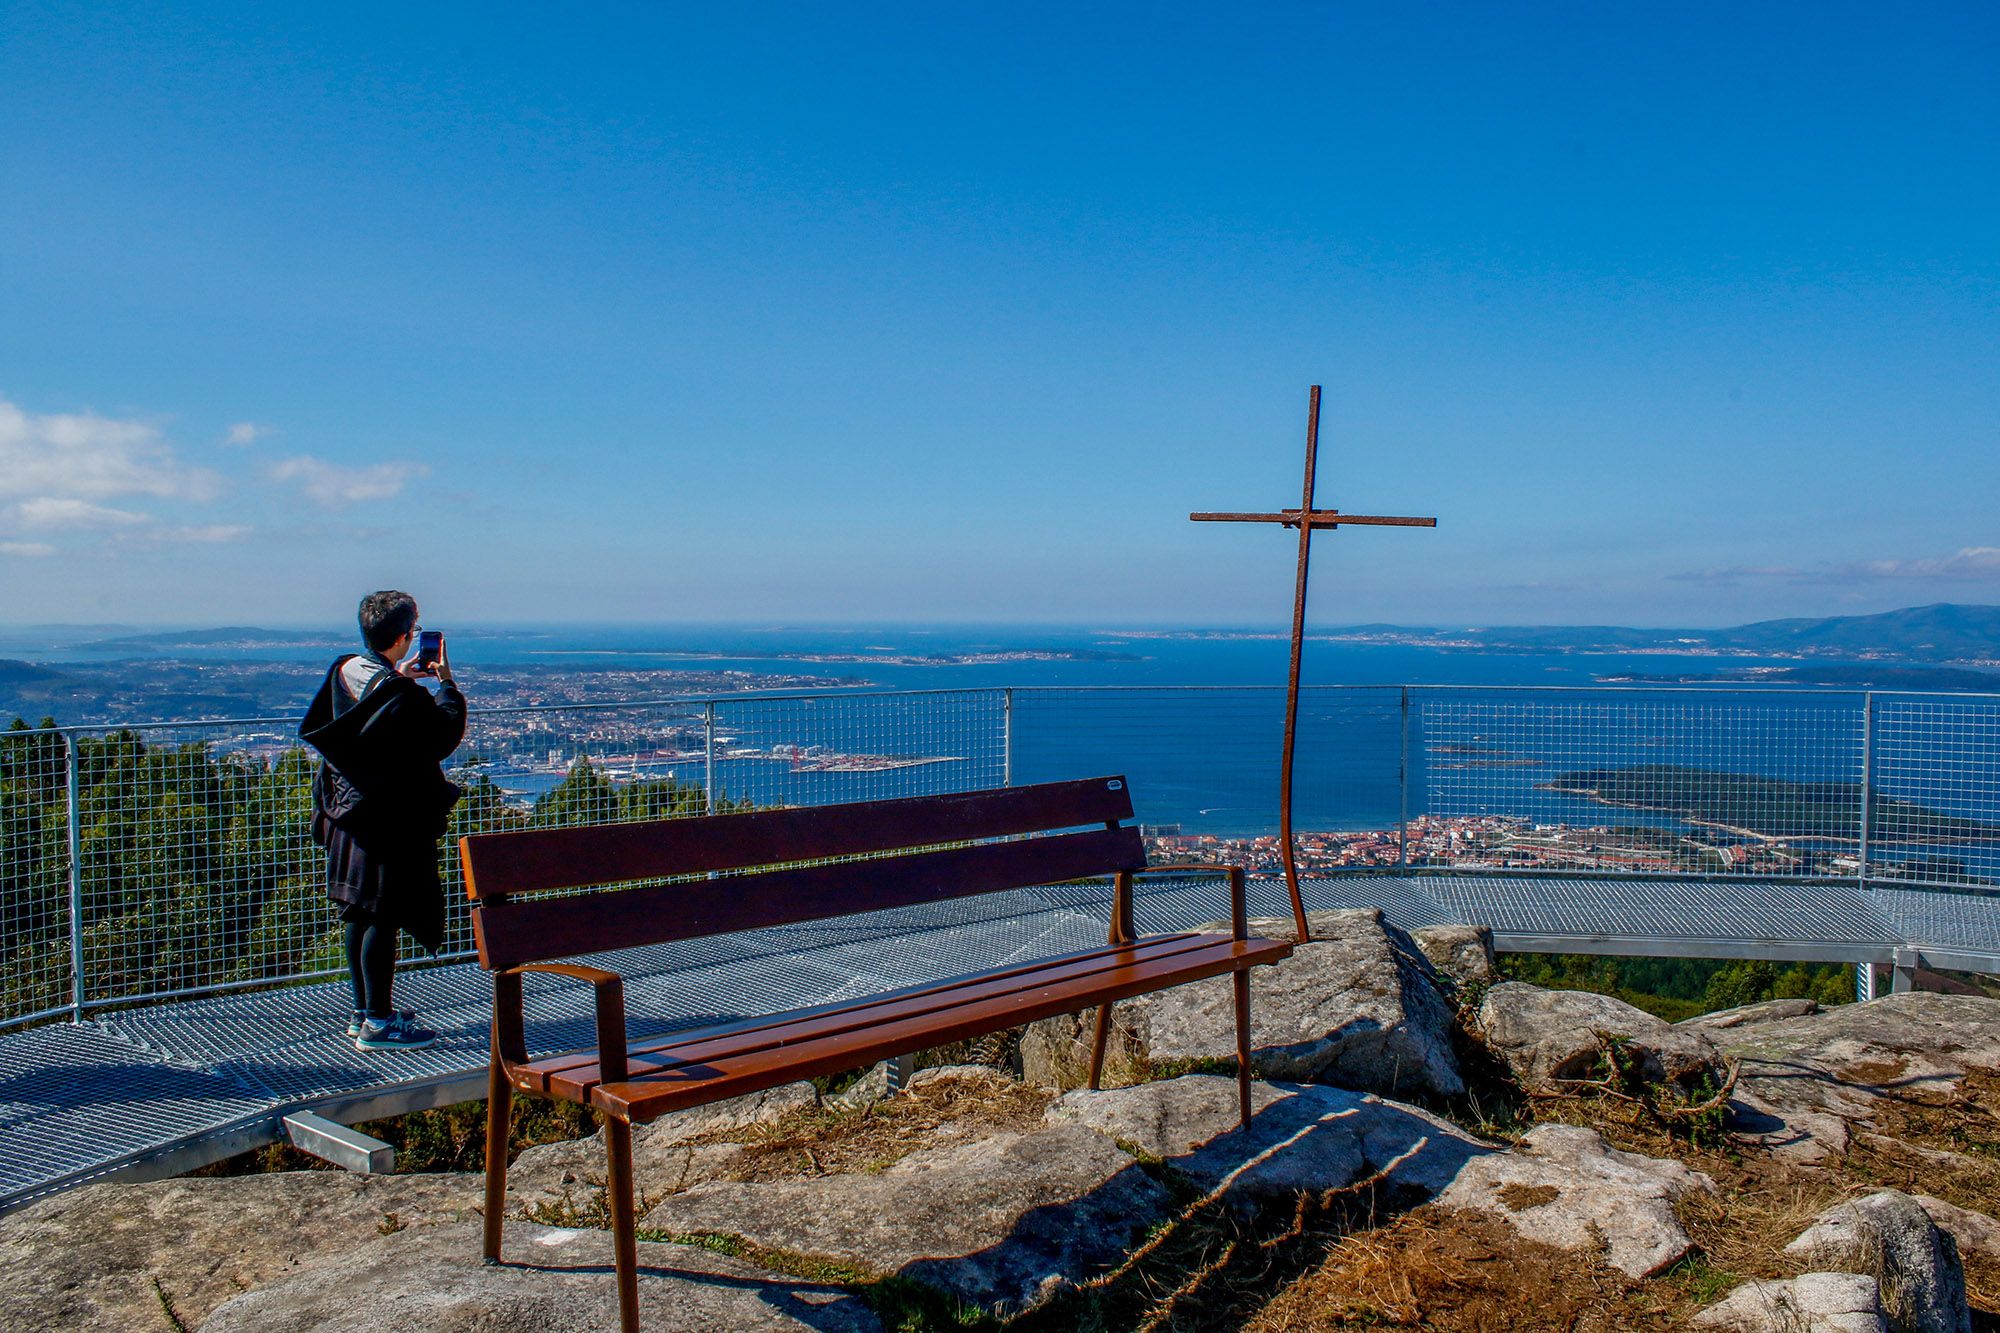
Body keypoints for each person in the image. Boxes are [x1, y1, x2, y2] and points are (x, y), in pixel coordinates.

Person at [300, 590, 465, 1051]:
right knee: (383, 915)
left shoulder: (346, 669)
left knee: (356, 909)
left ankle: (364, 1009)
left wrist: (398, 673)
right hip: (385, 820)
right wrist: (447, 684)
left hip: (344, 813)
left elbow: (371, 718)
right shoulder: (401, 697)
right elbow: (441, 733)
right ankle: (378, 1022)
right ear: (405, 634)